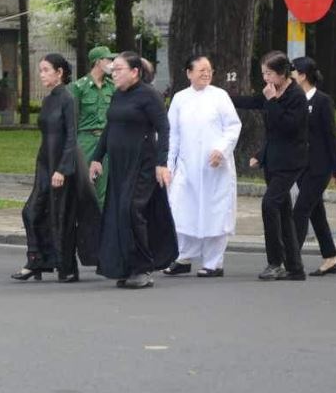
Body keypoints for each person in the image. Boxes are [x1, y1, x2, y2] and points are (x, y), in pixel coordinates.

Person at [90, 51, 175, 290]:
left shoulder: (149, 96)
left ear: (135, 72)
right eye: (112, 69)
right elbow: (110, 126)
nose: (113, 73)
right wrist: (97, 157)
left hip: (142, 163)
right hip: (119, 164)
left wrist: (162, 163)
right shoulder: (118, 95)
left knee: (132, 210)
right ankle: (126, 265)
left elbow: (164, 129)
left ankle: (144, 266)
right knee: (118, 213)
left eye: (118, 69)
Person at [164, 54, 242, 278]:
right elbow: (173, 134)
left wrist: (222, 149)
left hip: (214, 167)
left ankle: (213, 262)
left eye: (209, 70)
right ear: (189, 73)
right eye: (201, 70)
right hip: (187, 167)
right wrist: (169, 164)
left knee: (215, 212)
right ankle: (182, 257)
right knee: (182, 209)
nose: (206, 74)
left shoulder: (220, 96)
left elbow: (232, 126)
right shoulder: (180, 99)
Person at [234, 51, 309, 281]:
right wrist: (223, 97)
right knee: (284, 211)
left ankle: (274, 261)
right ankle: (295, 267)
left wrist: (273, 101)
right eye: (263, 73)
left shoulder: (296, 95)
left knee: (269, 205)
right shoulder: (270, 92)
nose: (265, 78)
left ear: (281, 73)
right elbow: (253, 104)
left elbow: (288, 127)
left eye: (269, 73)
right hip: (273, 159)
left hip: (291, 160)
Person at [15, 53, 81, 282]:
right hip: (44, 165)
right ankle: (36, 260)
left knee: (60, 217)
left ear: (59, 72)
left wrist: (62, 169)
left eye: (45, 70)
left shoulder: (68, 98)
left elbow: (72, 138)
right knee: (32, 212)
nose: (41, 74)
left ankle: (67, 267)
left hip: (61, 168)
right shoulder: (48, 100)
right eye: (40, 70)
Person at [290, 57, 336, 275]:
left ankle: (291, 258)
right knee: (316, 213)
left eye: (292, 71)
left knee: (301, 210)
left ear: (303, 75)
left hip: (319, 167)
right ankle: (330, 257)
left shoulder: (322, 101)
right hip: (301, 166)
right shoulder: (294, 99)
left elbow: (331, 136)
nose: (289, 75)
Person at [68, 45, 112, 262]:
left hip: (107, 141)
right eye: (107, 59)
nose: (111, 64)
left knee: (106, 190)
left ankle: (104, 245)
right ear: (97, 62)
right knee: (86, 189)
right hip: (85, 140)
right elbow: (72, 120)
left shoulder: (112, 87)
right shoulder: (79, 87)